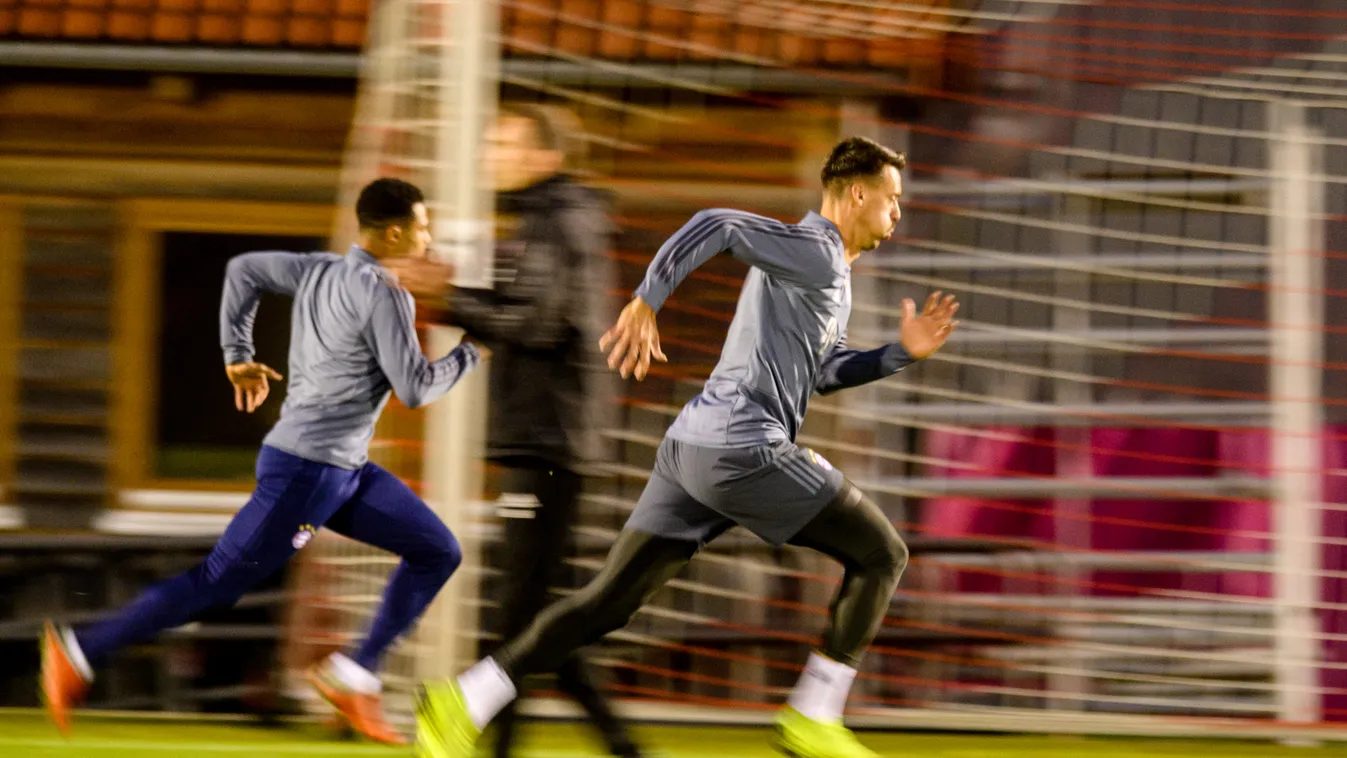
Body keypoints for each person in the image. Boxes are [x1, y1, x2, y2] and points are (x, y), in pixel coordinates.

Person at [413, 136, 960, 758]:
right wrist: (649, 299)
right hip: (743, 451)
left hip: (691, 450)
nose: (897, 215)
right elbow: (716, 222)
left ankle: (467, 699)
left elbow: (823, 372)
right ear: (858, 193)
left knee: (606, 603)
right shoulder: (815, 250)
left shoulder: (820, 269)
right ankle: (814, 713)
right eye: (892, 200)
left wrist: (899, 354)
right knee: (882, 553)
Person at [40, 178, 481, 746]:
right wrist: (472, 352)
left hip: (341, 471)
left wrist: (237, 356)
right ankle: (78, 653)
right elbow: (416, 388)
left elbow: (244, 269)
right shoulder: (384, 293)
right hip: (307, 473)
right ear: (395, 232)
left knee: (436, 549)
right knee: (215, 585)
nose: (428, 235)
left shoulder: (320, 270)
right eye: (423, 225)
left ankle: (353, 675)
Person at [390, 104, 643, 758]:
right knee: (534, 614)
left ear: (543, 157)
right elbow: (522, 312)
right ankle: (622, 746)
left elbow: (536, 326)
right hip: (548, 437)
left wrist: (446, 298)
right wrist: (450, 290)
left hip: (549, 440)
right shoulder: (547, 221)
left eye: (501, 143)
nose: (487, 154)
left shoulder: (558, 223)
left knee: (516, 609)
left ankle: (492, 744)